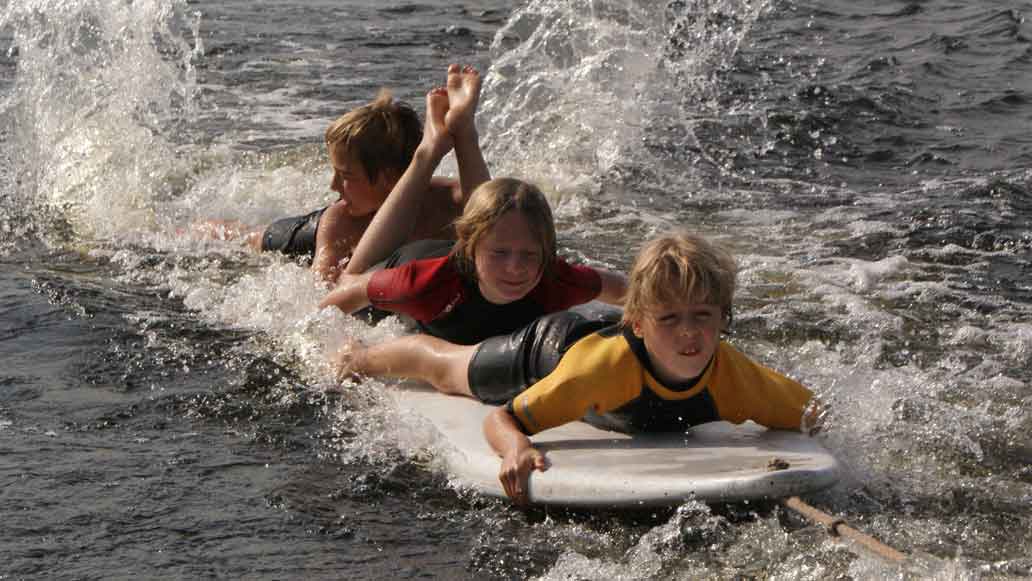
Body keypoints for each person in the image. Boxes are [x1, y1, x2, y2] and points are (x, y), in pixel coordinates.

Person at [335, 232, 822, 504]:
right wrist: (515, 450)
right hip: (551, 347)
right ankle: (361, 355)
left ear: (723, 318)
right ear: (640, 321)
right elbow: (502, 419)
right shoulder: (601, 371)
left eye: (704, 318)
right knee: (448, 370)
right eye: (670, 319)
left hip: (612, 333)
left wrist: (815, 429)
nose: (689, 334)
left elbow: (807, 413)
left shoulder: (737, 376)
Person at [194, 64, 486, 284]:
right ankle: (192, 228)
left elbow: (488, 214)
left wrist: (463, 138)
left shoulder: (448, 200)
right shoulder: (340, 221)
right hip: (307, 234)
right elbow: (323, 297)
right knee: (249, 237)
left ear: (386, 177)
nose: (334, 186)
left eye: (345, 175)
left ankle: (463, 128)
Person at [320, 176, 628, 345]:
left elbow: (621, 288)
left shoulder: (553, 279)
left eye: (529, 254)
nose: (515, 267)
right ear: (470, 245)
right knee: (349, 273)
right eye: (500, 253)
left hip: (457, 249)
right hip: (399, 263)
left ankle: (461, 131)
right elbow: (347, 294)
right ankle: (429, 150)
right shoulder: (423, 287)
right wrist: (340, 345)